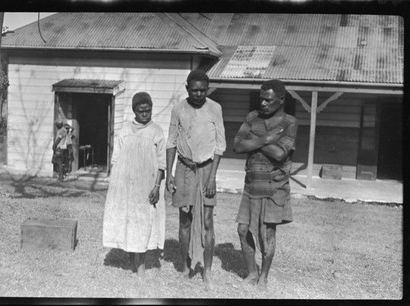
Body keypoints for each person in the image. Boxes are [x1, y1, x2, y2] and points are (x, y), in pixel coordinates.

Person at [233, 79, 298, 291]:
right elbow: (237, 145)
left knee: (267, 234)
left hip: (274, 186)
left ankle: (264, 277)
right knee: (243, 229)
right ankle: (252, 272)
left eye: (268, 100)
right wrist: (267, 139)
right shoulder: (252, 117)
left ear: (281, 100)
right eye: (261, 99)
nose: (263, 104)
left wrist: (255, 140)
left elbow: (280, 154)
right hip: (251, 185)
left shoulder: (290, 123)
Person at [165, 69, 226, 290]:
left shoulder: (215, 108)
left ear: (207, 90)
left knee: (208, 221)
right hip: (184, 168)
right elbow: (171, 141)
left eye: (203, 90)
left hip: (207, 170)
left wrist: (211, 178)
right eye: (194, 90)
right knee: (185, 220)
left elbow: (220, 146)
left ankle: (207, 271)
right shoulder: (178, 108)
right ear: (187, 89)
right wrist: (170, 174)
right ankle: (185, 267)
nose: (199, 94)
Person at [103, 92, 166, 278]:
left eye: (148, 110)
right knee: (130, 223)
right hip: (126, 186)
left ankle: (141, 269)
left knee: (144, 225)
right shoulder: (124, 130)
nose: (145, 114)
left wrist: (156, 186)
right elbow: (116, 159)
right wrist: (116, 186)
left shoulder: (156, 131)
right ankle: (132, 264)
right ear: (134, 111)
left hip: (147, 186)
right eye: (141, 111)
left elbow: (162, 163)